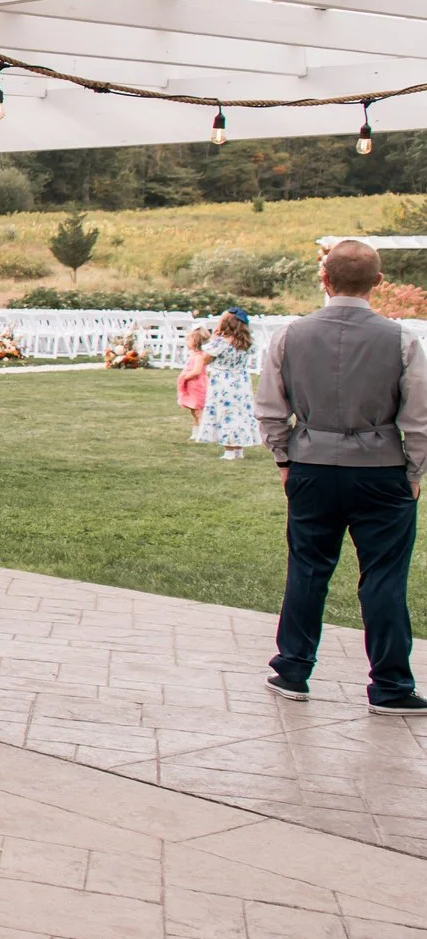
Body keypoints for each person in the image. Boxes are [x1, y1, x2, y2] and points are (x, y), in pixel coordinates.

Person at [256, 240, 427, 712]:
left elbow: (270, 410)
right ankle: (390, 686)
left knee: (308, 569)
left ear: (324, 279)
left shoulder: (290, 335)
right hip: (381, 470)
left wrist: (284, 461)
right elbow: (419, 417)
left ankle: (292, 667)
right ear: (378, 282)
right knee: (384, 577)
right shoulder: (400, 338)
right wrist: (414, 470)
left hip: (311, 464)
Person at [193, 309, 259, 460]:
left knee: (226, 413)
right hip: (241, 381)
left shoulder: (221, 342)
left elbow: (205, 359)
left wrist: (214, 338)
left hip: (223, 382)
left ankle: (229, 449)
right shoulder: (247, 342)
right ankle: (239, 448)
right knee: (240, 412)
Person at [176, 325, 210, 434]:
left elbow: (197, 371)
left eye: (189, 339)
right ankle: (196, 430)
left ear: (195, 341)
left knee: (198, 409)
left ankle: (202, 431)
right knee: (193, 410)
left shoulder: (199, 356)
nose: (187, 342)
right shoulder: (193, 355)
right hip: (191, 386)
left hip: (197, 385)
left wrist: (185, 376)